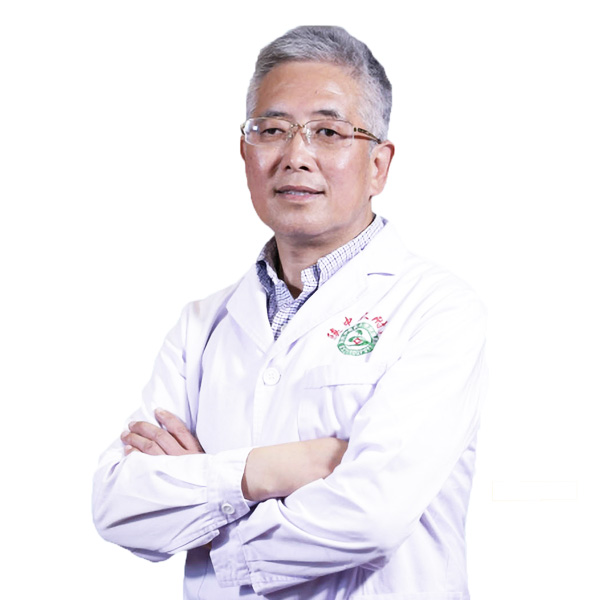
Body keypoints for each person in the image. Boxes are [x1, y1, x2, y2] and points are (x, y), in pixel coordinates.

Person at [93, 25, 487, 600]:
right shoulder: (200, 324)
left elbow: (371, 517)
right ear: (245, 154)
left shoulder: (437, 309)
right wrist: (276, 469)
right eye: (272, 130)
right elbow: (118, 505)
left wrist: (207, 510)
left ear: (378, 165)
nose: (296, 156)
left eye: (328, 131)